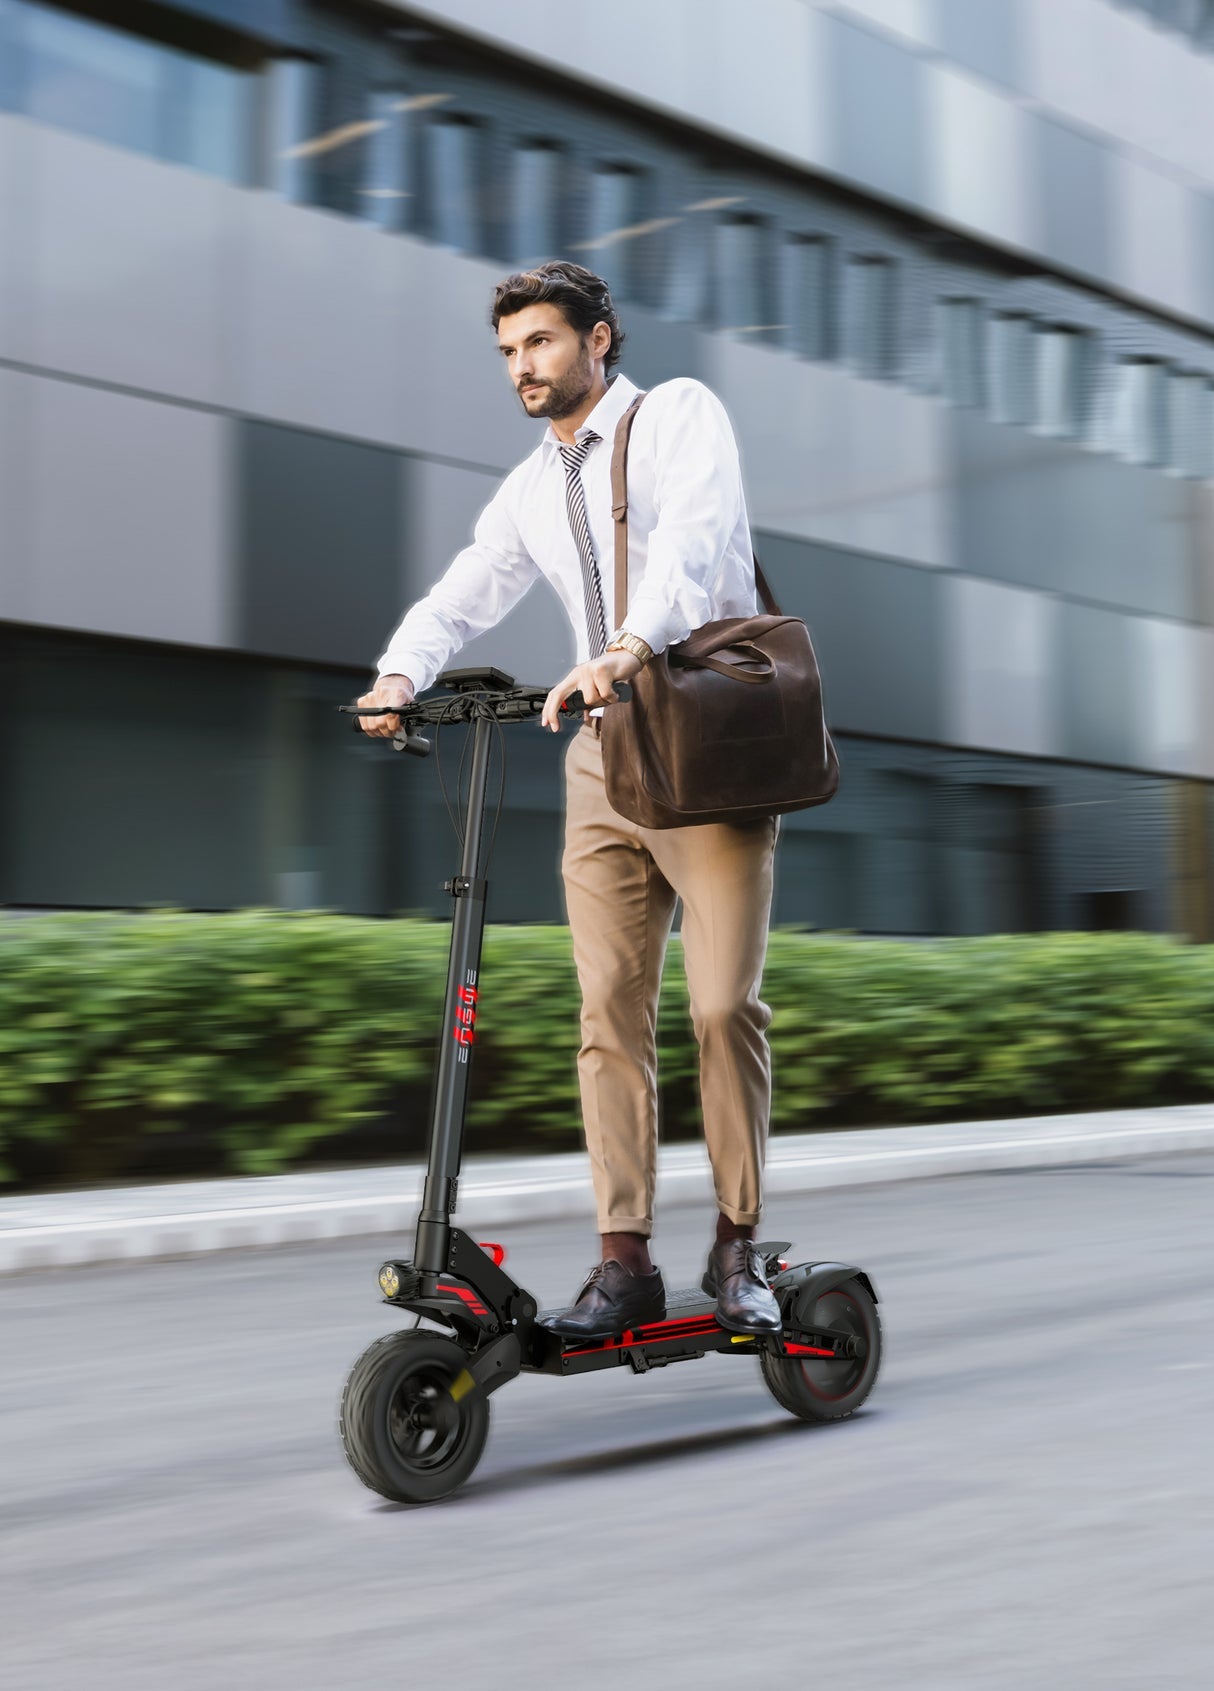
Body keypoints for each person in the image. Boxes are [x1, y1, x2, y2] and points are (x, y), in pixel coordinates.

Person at [358, 260, 781, 1339]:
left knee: (721, 1004)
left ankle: (737, 1242)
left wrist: (628, 647)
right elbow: (471, 583)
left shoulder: (678, 416)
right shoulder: (531, 484)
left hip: (703, 741)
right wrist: (401, 672)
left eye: (540, 342)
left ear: (599, 339)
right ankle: (624, 1255)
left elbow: (692, 543)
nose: (522, 367)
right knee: (606, 1015)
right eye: (507, 351)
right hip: (599, 757)